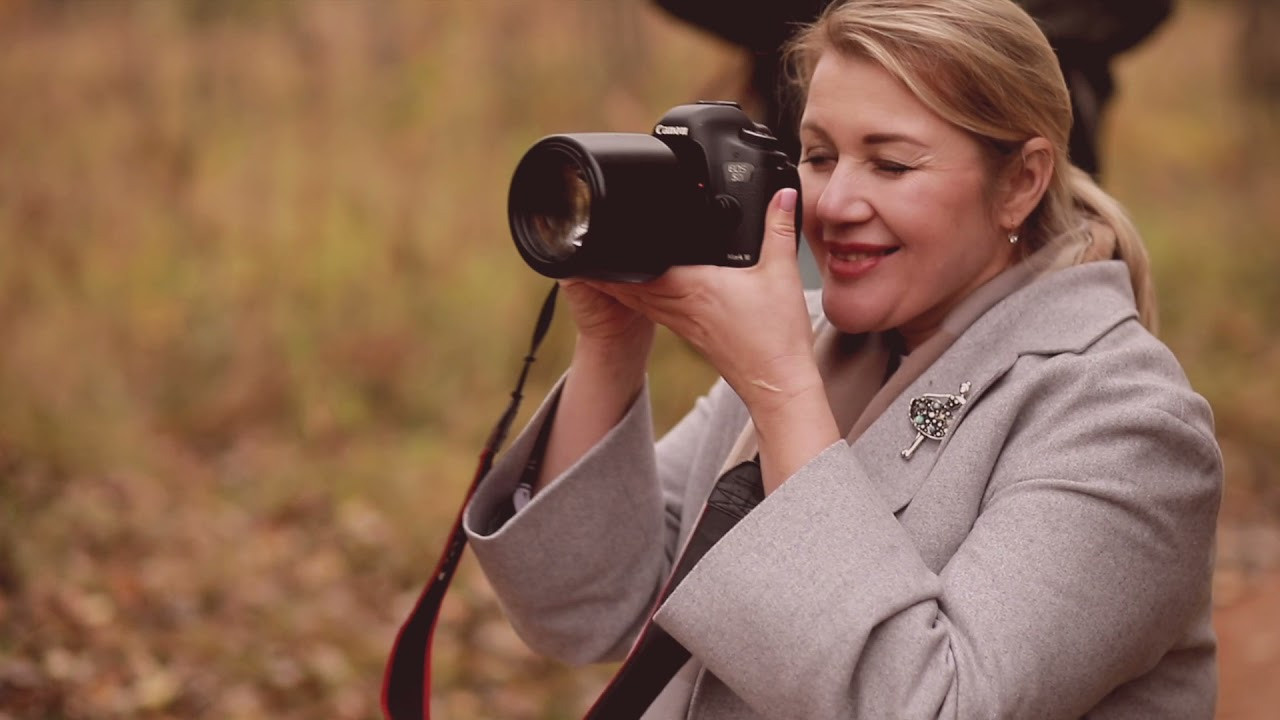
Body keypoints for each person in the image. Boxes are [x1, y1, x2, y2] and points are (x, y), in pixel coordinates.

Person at [462, 0, 1221, 717]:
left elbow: (933, 703)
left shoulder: (1128, 425)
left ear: (1021, 183)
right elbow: (581, 606)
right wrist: (611, 342)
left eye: (890, 165)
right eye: (819, 157)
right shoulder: (814, 344)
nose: (833, 204)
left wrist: (782, 391)